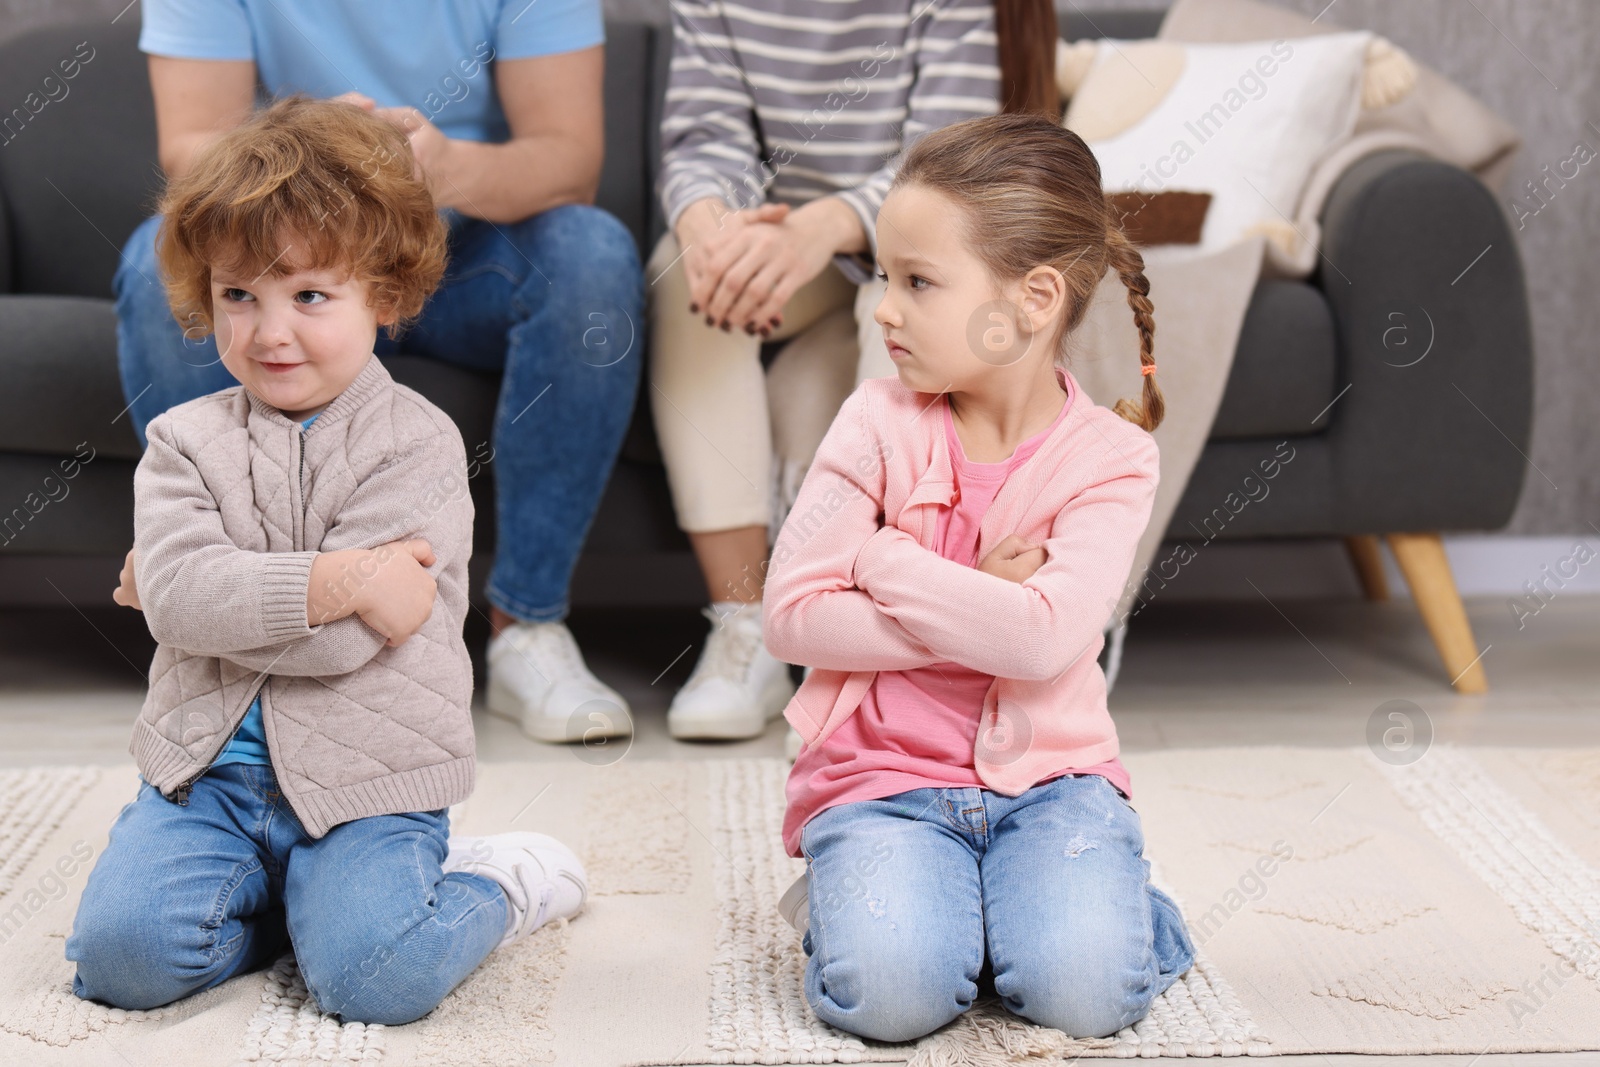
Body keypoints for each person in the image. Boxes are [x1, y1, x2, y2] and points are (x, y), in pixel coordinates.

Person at [69, 98, 587, 1024]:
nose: (270, 334)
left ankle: (499, 885)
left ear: (383, 298)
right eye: (240, 295)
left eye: (310, 295)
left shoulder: (417, 446)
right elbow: (234, 605)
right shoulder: (183, 442)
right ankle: (287, 915)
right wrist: (333, 581)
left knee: (377, 980)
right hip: (209, 779)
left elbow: (342, 647)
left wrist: (189, 592)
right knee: (121, 962)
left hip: (369, 783)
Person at [762, 111, 1195, 1042]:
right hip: (881, 782)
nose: (885, 307)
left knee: (1084, 995)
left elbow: (1041, 641)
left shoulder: (1113, 458)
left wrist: (885, 560)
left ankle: (1113, 907)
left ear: (1032, 300)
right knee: (892, 998)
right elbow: (793, 614)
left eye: (918, 281)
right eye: (886, 275)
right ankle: (897, 906)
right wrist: (977, 589)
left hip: (1055, 785)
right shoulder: (873, 421)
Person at [114, 0, 643, 746]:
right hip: (285, 248)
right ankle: (233, 606)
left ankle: (529, 624)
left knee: (592, 259)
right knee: (150, 263)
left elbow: (569, 159)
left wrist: (440, 168)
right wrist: (310, 157)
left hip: (468, 256)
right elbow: (190, 152)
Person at [647, 0, 1059, 739]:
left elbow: (949, 162)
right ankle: (745, 627)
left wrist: (829, 225)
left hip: (919, 227)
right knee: (681, 277)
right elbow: (704, 139)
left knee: (925, 297)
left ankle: (906, 628)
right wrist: (710, 226)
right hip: (778, 241)